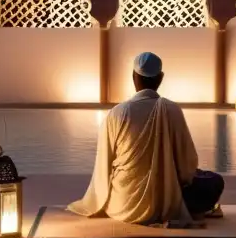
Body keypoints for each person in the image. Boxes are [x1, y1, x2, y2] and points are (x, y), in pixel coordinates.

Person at [68, 51, 225, 226]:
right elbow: (187, 164)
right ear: (161, 78)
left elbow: (103, 165)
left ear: (134, 77)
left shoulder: (117, 113)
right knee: (214, 181)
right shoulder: (172, 110)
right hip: (166, 203)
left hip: (123, 206)